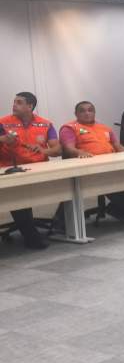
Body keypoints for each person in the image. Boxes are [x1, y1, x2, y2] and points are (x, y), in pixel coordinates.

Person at [60, 101, 124, 222]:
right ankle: (122, 208)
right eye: (82, 111)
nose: (87, 113)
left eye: (90, 110)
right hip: (88, 168)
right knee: (110, 181)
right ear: (76, 113)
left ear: (94, 112)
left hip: (110, 164)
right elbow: (68, 148)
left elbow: (117, 146)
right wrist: (79, 153)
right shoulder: (69, 128)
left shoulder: (104, 128)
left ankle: (116, 207)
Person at [0, 92, 61, 249]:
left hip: (39, 168)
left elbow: (57, 149)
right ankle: (31, 237)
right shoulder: (3, 123)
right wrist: (3, 139)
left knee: (69, 185)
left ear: (30, 106)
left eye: (19, 102)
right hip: (11, 169)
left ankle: (64, 224)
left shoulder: (45, 124)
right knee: (18, 196)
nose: (14, 105)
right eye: (14, 102)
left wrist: (44, 150)